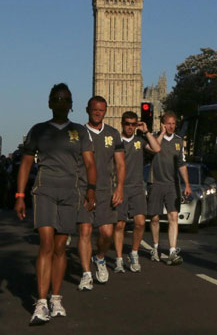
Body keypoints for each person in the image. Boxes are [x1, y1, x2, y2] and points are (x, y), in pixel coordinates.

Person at [14, 83, 96, 325]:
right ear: (50, 103)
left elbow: (90, 164)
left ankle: (56, 298)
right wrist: (20, 196)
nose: (61, 102)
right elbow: (26, 164)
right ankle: (40, 303)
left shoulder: (80, 132)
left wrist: (91, 189)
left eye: (65, 99)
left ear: (71, 105)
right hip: (45, 192)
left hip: (70, 194)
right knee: (46, 245)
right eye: (57, 98)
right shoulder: (38, 130)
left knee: (60, 249)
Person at [76, 96, 125, 291]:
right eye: (95, 109)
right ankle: (86, 274)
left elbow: (121, 164)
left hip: (106, 191)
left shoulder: (113, 134)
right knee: (85, 231)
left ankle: (100, 257)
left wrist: (119, 188)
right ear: (88, 110)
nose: (98, 113)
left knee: (106, 233)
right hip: (82, 189)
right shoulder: (78, 133)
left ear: (105, 111)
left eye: (101, 110)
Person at [114, 111, 161, 273]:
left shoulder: (140, 140)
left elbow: (156, 149)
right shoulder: (116, 141)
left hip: (137, 188)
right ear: (122, 123)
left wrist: (146, 131)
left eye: (133, 124)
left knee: (140, 223)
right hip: (120, 187)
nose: (130, 127)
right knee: (119, 225)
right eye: (127, 123)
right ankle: (119, 259)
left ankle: (133, 253)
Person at [148, 112, 192, 265]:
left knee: (173, 217)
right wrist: (160, 133)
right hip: (156, 183)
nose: (171, 126)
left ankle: (172, 251)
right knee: (154, 218)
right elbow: (154, 150)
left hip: (172, 185)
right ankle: (155, 247)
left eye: (173, 124)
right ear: (162, 124)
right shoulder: (154, 138)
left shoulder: (179, 141)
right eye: (168, 123)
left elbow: (182, 164)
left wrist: (186, 184)